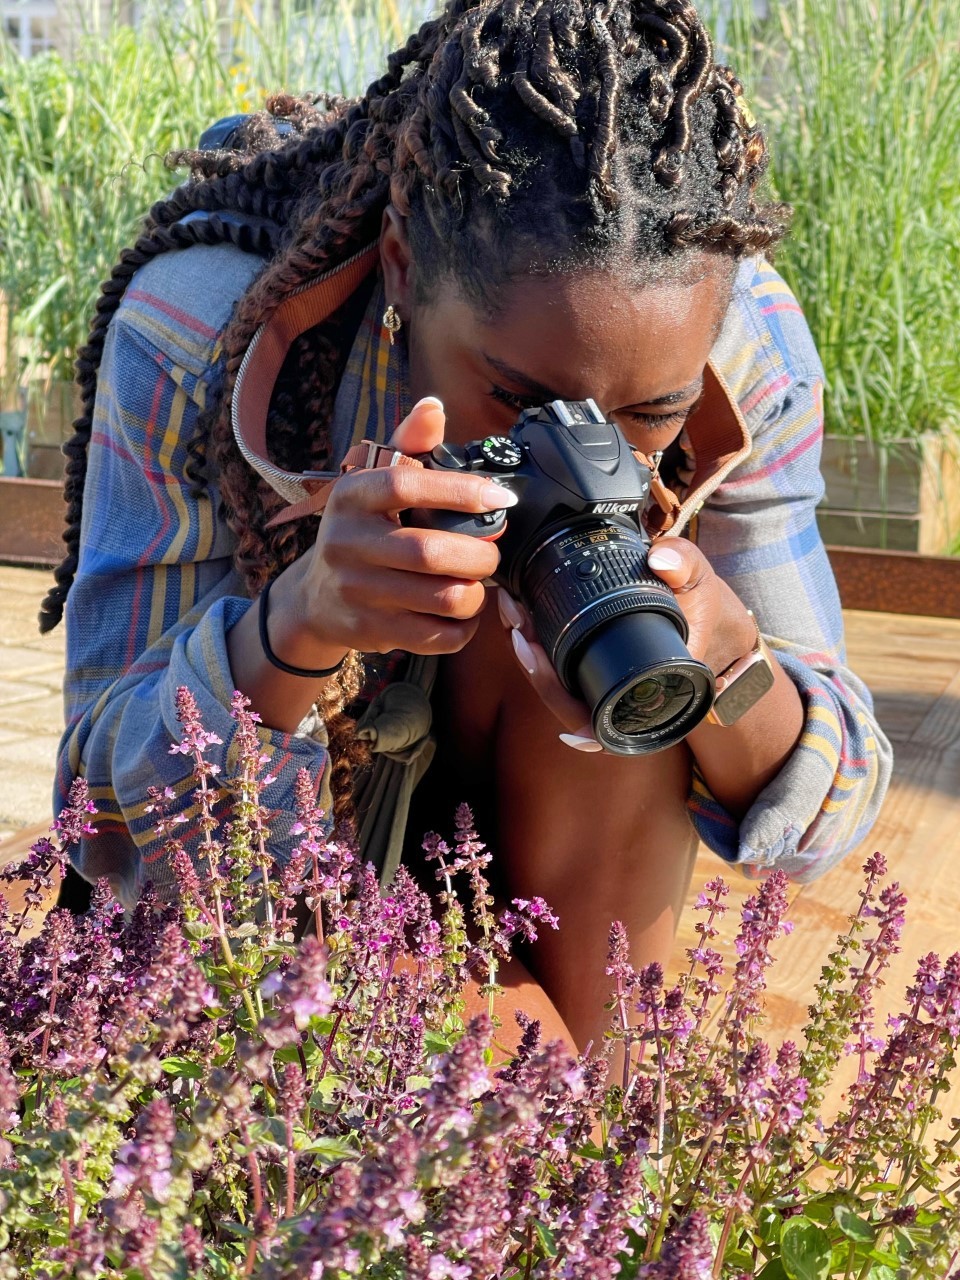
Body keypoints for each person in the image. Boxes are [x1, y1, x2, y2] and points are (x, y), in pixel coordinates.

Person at [42, 0, 892, 1056]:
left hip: (568, 845)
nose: (586, 459)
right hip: (294, 843)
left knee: (617, 625)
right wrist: (295, 626)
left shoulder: (741, 341)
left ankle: (595, 1109)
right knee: (494, 1102)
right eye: (522, 404)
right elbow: (102, 816)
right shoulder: (199, 332)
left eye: (650, 418)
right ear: (401, 266)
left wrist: (724, 660)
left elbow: (834, 802)